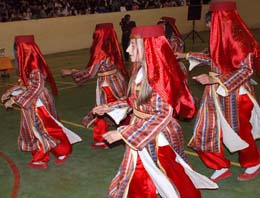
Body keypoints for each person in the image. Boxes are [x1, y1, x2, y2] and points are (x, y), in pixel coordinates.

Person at [93, 25, 217, 198]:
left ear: (148, 47)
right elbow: (136, 102)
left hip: (158, 137)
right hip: (142, 131)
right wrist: (112, 106)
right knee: (140, 175)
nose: (128, 50)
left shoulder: (159, 77)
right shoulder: (141, 70)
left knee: (170, 175)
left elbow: (162, 115)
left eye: (133, 46)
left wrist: (124, 133)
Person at [176, 1, 260, 182]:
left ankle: (253, 162)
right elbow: (213, 59)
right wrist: (187, 55)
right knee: (205, 131)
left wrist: (216, 79)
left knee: (240, 132)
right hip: (214, 94)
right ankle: (220, 166)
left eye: (210, 24)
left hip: (236, 95)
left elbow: (246, 70)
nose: (209, 28)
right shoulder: (221, 37)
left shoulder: (240, 40)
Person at [1, 35, 81, 169]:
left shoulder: (35, 67)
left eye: (17, 49)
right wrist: (9, 92)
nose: (16, 53)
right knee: (35, 129)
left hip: (39, 103)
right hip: (32, 102)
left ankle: (60, 152)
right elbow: (24, 82)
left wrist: (14, 99)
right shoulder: (26, 65)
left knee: (48, 128)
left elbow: (36, 87)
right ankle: (41, 157)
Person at [61, 23, 128, 149]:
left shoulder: (101, 52)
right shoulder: (112, 47)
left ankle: (111, 138)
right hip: (117, 82)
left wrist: (71, 72)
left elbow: (90, 73)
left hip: (108, 85)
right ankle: (105, 137)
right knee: (116, 109)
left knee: (105, 110)